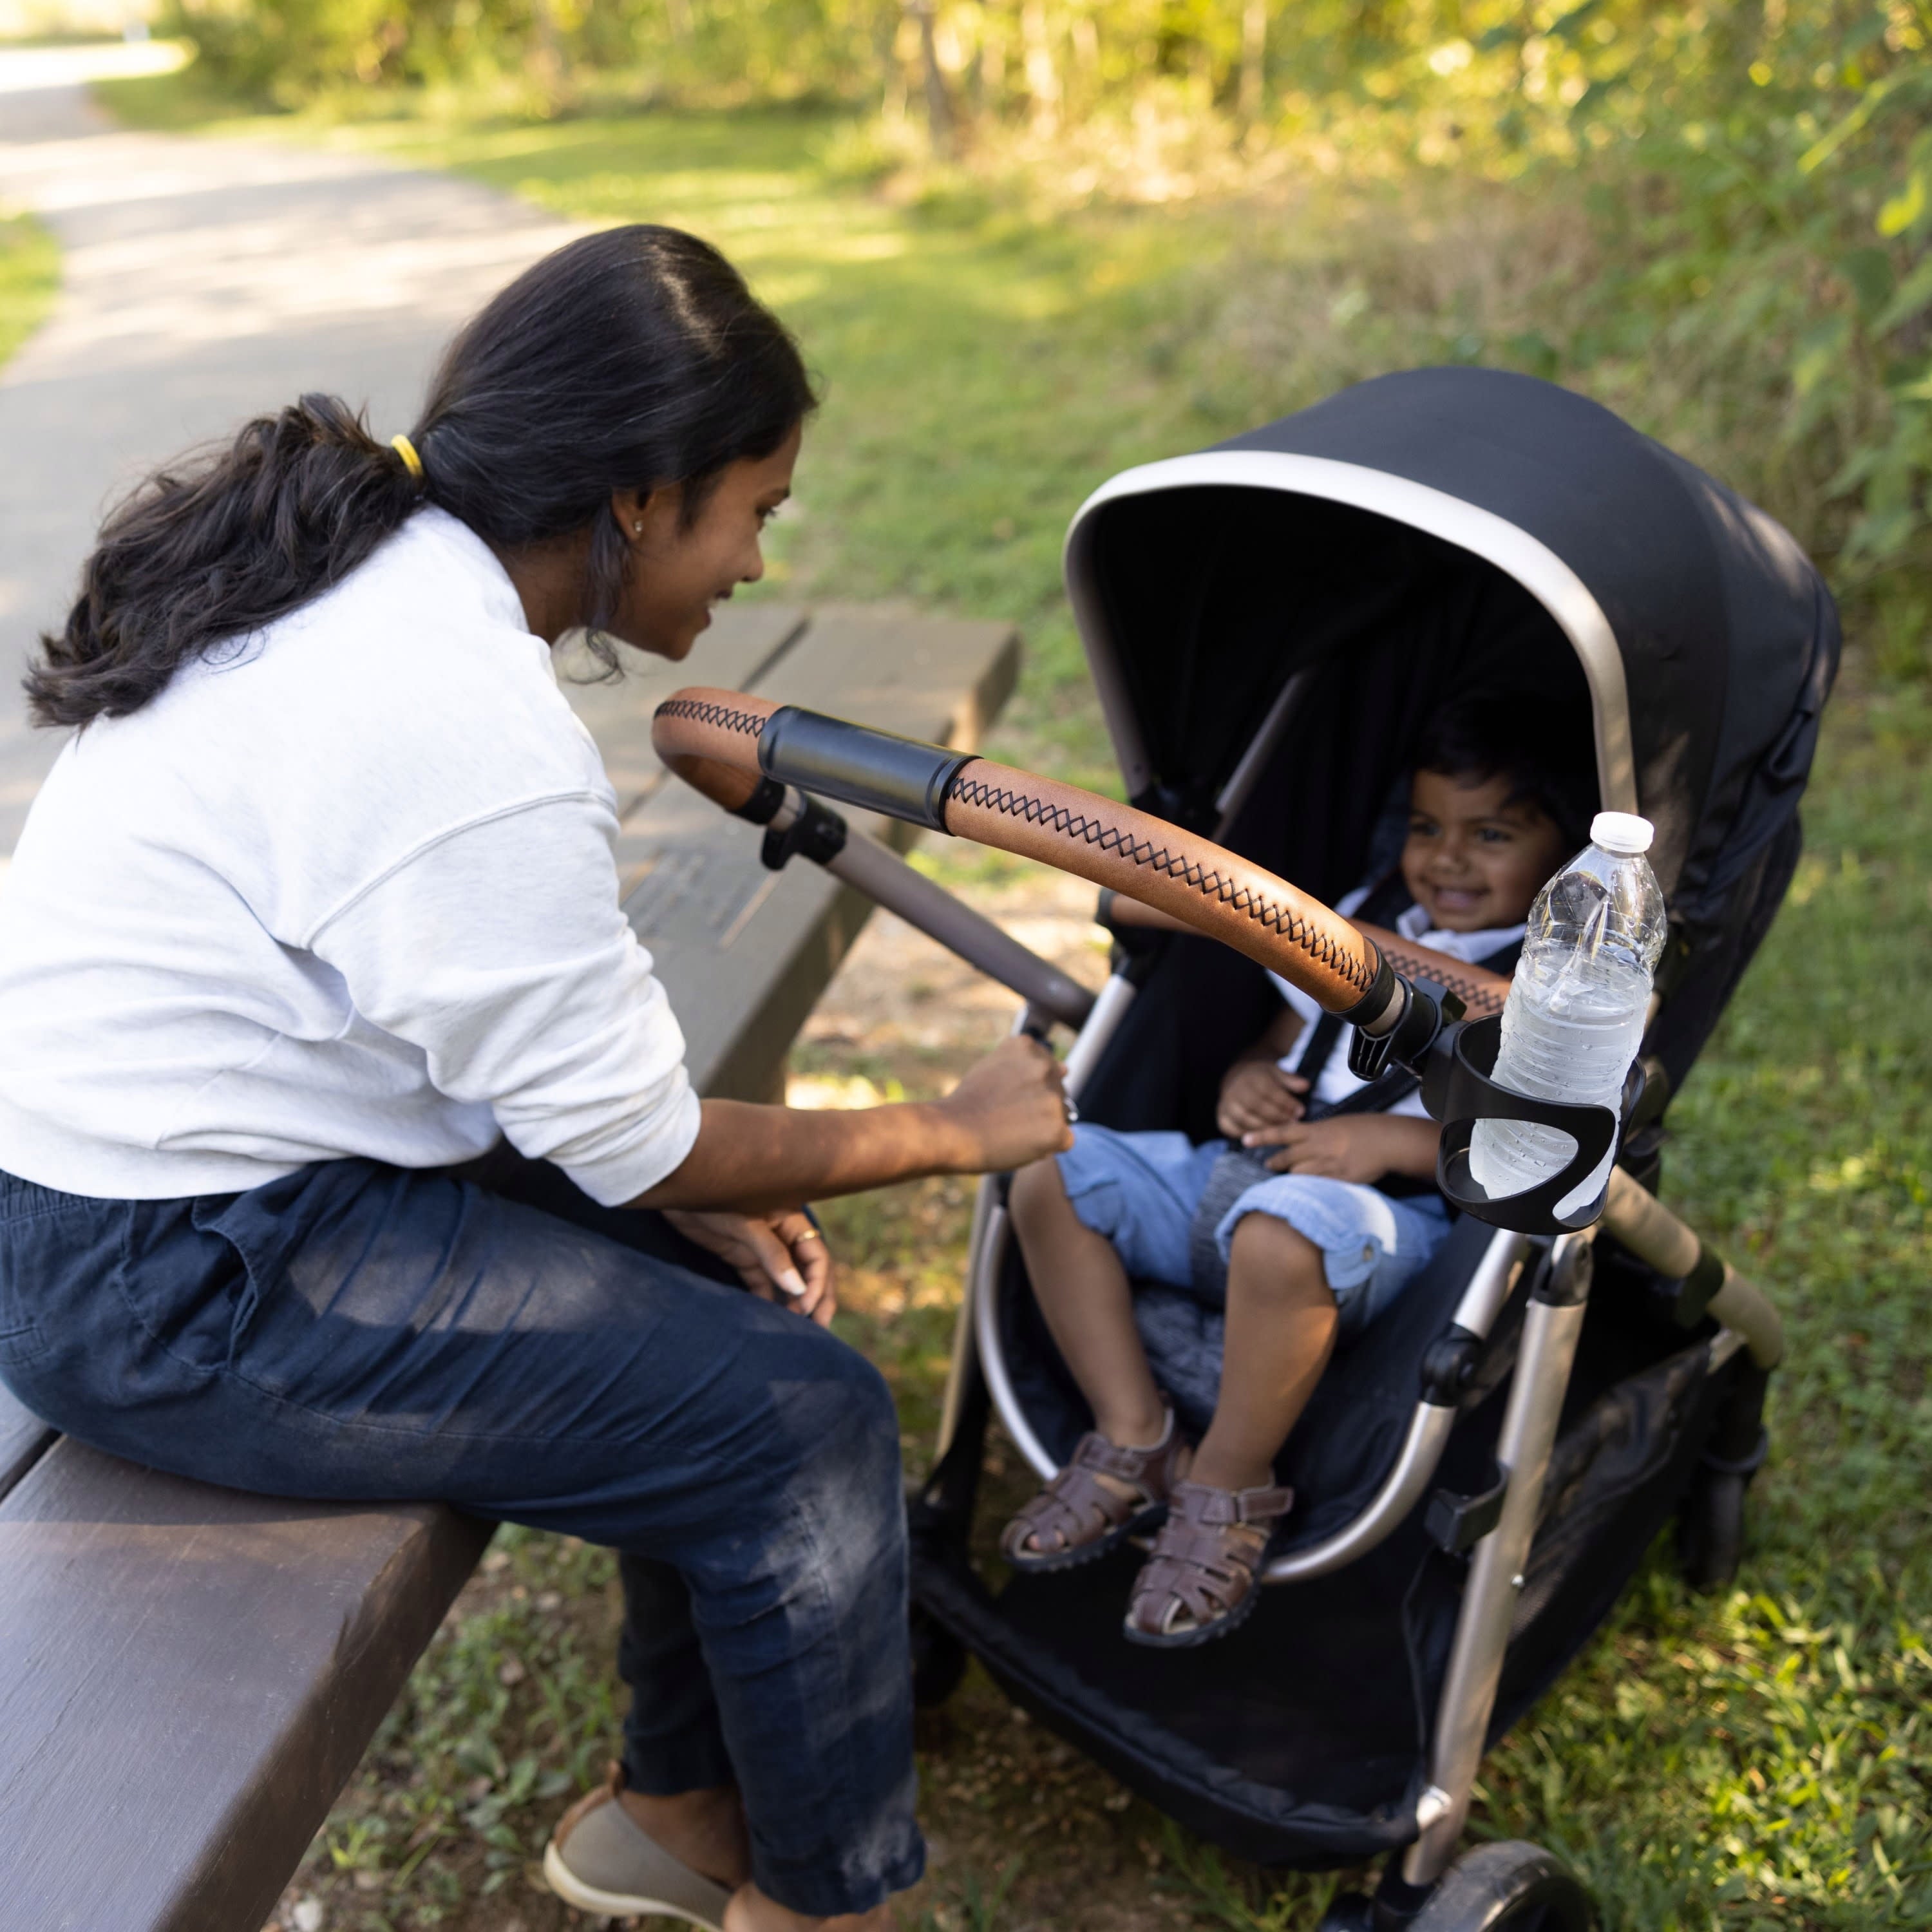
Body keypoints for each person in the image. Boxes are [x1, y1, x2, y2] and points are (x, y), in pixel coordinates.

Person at [0, 226, 1072, 1932]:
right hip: (175, 1279)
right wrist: (956, 1130)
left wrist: (657, 1198)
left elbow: (577, 1111)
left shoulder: (361, 576)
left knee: (717, 1321)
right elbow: (635, 1133)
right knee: (805, 1428)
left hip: (154, 1203)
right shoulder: (458, 720)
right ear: (644, 494)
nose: (750, 562)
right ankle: (829, 1907)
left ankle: (676, 1813)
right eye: (755, 513)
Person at [998, 699, 1584, 1647]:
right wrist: (1248, 1080)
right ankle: (1134, 1435)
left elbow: (1541, 1147)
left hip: (1378, 1227)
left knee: (1282, 1232)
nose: (1447, 859)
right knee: (1049, 1167)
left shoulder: (1546, 987)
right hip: (1243, 1174)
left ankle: (1227, 1484)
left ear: (1559, 859)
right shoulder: (1363, 918)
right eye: (1428, 828)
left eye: (1492, 836)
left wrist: (1392, 1146)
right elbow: (1290, 1036)